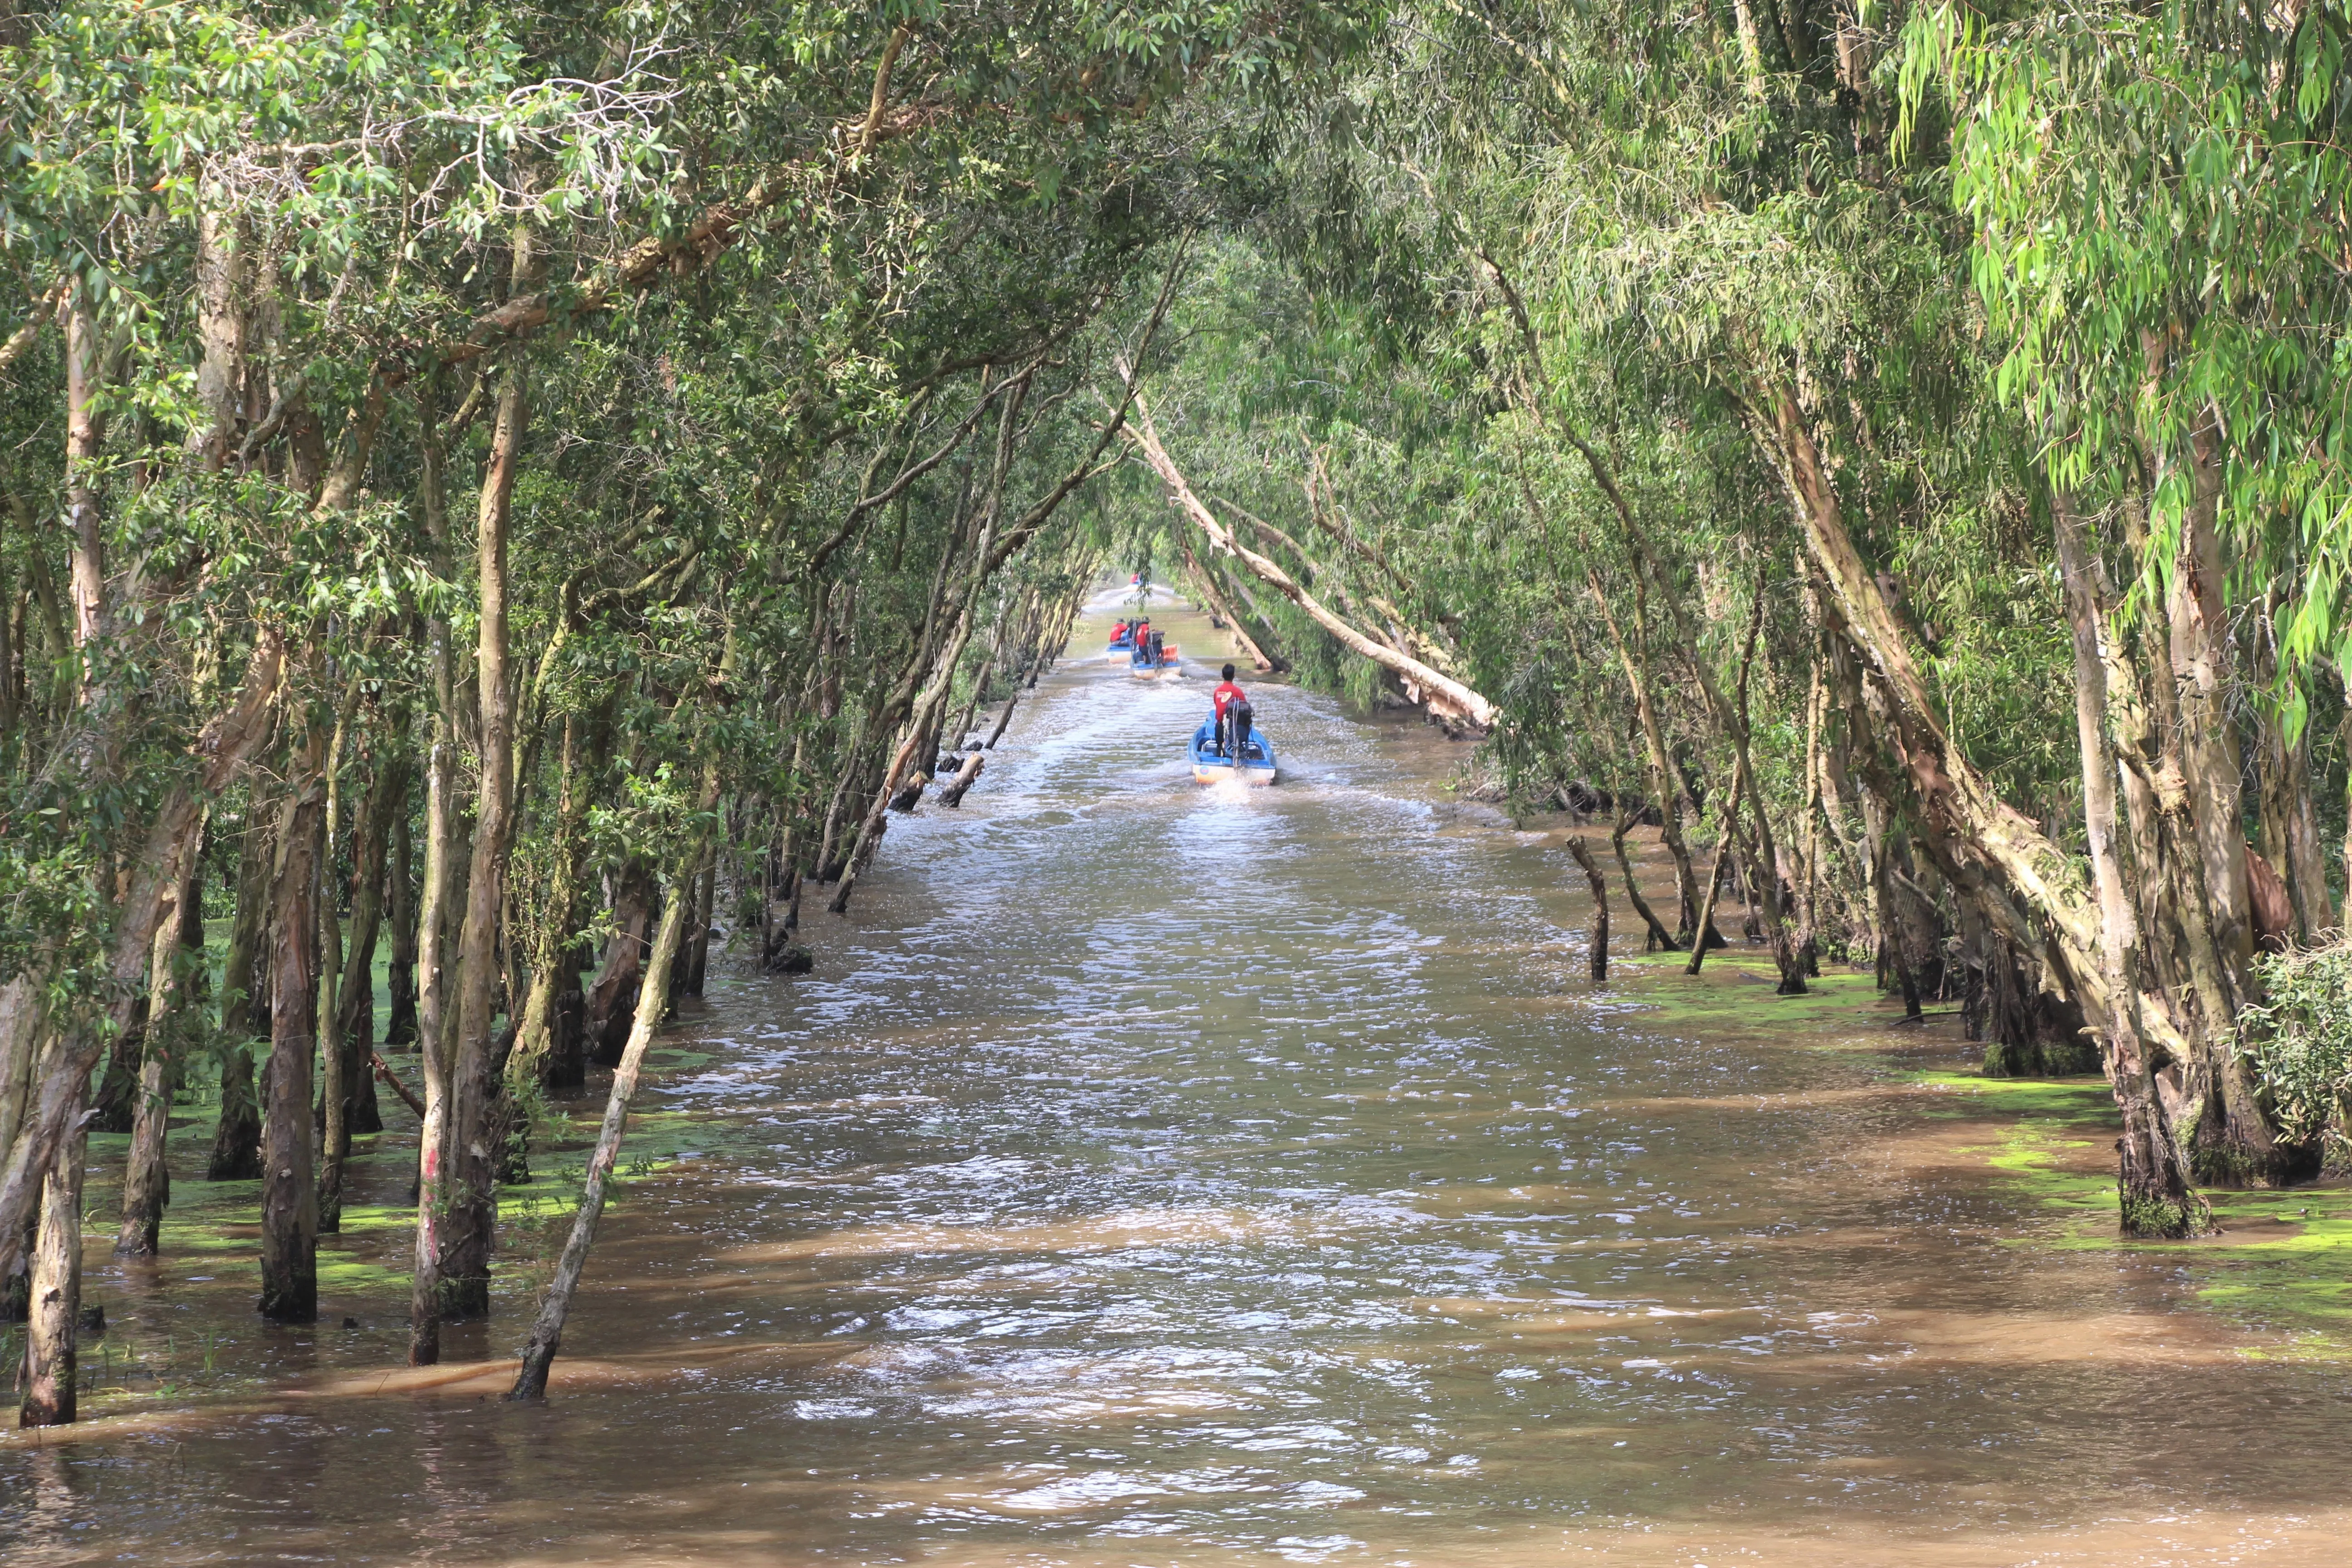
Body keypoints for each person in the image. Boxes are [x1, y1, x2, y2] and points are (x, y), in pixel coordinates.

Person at [1211, 663, 1246, 755]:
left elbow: (1217, 704)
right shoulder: (1238, 691)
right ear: (1234, 676)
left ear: (1222, 676)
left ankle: (1219, 749)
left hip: (1220, 722)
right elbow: (1245, 706)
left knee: (1219, 723)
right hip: (1233, 721)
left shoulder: (1217, 691)